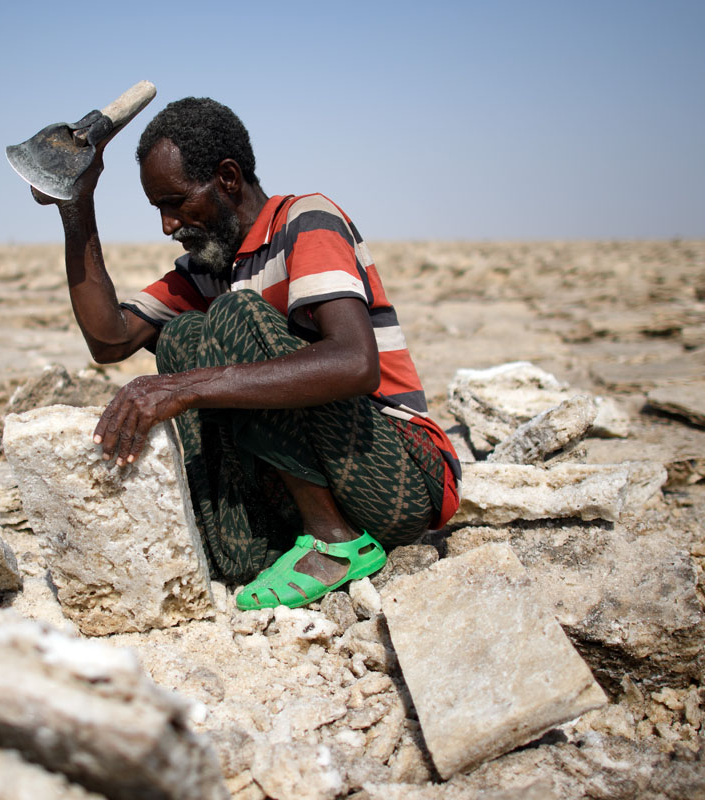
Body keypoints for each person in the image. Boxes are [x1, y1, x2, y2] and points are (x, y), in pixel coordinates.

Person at [30, 96, 460, 611]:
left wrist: (183, 389)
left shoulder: (305, 220)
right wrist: (76, 206)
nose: (168, 226)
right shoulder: (208, 266)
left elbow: (354, 362)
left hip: (400, 473)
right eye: (158, 210)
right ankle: (285, 545)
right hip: (329, 477)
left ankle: (335, 542)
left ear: (228, 178)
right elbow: (110, 339)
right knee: (183, 335)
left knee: (235, 315)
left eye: (176, 202)